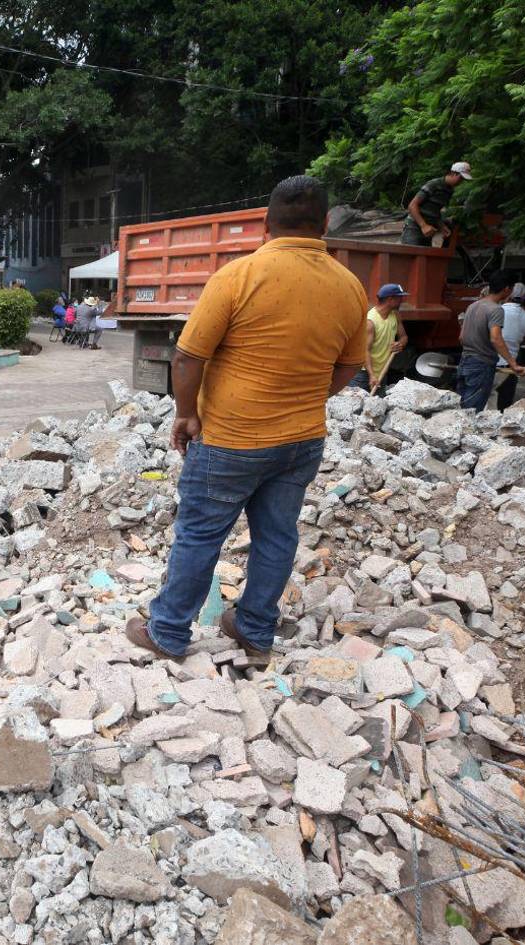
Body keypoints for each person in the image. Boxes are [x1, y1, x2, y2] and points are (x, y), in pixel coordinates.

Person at [125, 175, 367, 660]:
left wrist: (186, 416)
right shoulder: (349, 286)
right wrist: (307, 395)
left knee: (200, 533)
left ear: (265, 223)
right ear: (323, 224)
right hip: (301, 440)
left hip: (232, 438)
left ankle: (168, 631)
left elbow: (187, 357)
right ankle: (255, 630)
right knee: (277, 535)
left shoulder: (239, 276)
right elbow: (349, 364)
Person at [457, 271, 525, 411]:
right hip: (482, 364)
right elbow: (496, 338)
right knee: (473, 410)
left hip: (465, 361)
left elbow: (461, 337)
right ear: (507, 289)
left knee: (462, 406)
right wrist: (513, 364)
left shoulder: (473, 306)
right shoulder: (496, 310)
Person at [348, 284, 409, 392]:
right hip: (363, 375)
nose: (402, 301)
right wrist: (372, 375)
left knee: (378, 407)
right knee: (354, 406)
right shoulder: (371, 321)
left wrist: (400, 344)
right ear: (390, 299)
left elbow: (404, 337)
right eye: (400, 298)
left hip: (381, 373)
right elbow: (365, 351)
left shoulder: (395, 315)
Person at [401, 162, 472, 246]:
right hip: (414, 227)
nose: (461, 182)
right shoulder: (434, 185)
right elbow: (412, 205)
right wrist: (423, 225)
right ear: (453, 173)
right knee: (411, 255)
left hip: (429, 229)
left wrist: (441, 226)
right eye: (460, 178)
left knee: (425, 257)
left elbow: (435, 212)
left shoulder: (449, 191)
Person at [495, 283, 525, 409]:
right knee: (504, 401)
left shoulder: (496, 310)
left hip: (491, 360)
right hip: (512, 363)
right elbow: (523, 340)